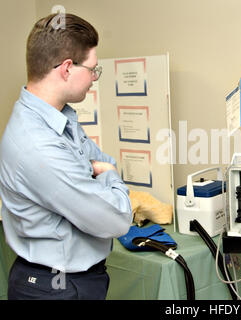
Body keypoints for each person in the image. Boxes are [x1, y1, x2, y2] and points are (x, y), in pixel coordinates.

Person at [0, 13, 132, 299]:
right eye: (93, 69)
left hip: (74, 280)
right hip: (54, 287)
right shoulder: (37, 144)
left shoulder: (60, 117)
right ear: (67, 68)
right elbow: (117, 219)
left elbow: (99, 160)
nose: (94, 78)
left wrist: (100, 170)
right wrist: (107, 174)